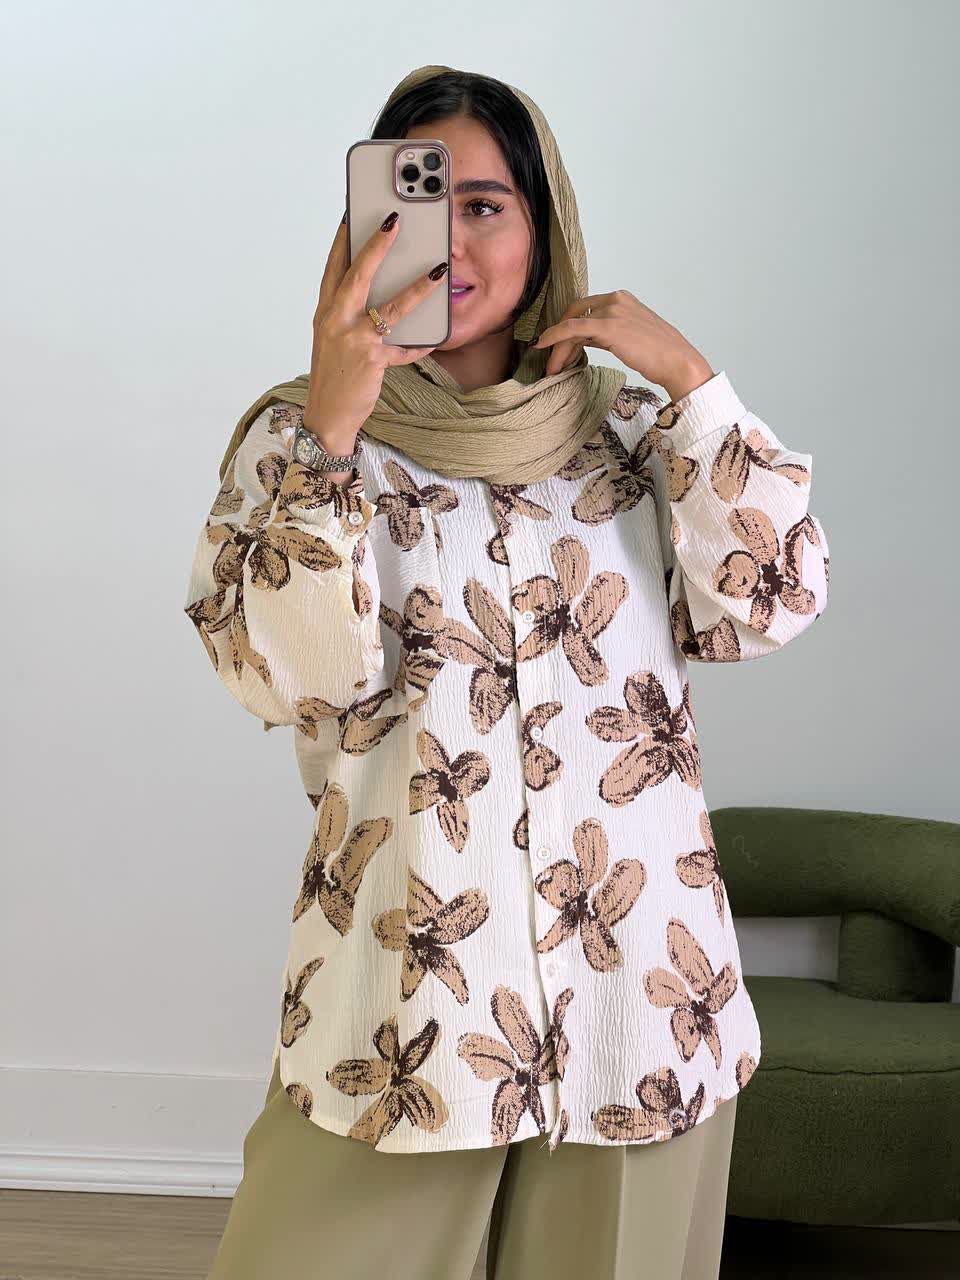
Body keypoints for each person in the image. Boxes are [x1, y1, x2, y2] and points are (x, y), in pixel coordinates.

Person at [184, 63, 830, 1280]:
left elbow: (773, 600)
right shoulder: (302, 437)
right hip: (404, 1003)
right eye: (416, 206)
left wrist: (694, 383)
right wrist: (333, 430)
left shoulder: (632, 430)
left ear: (545, 227)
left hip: (637, 998)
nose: (451, 242)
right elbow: (281, 676)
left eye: (485, 205)